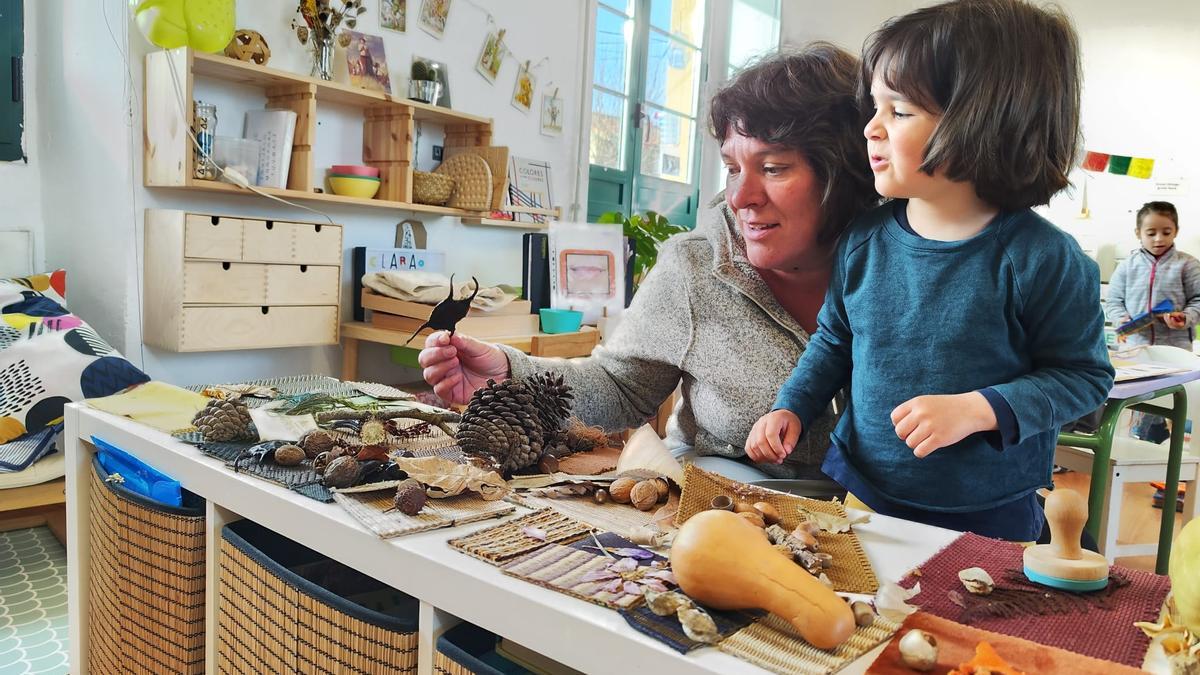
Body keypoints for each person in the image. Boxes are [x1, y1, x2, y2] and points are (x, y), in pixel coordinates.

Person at [419, 44, 878, 482]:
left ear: (844, 171)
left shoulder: (909, 266)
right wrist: (510, 376)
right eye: (733, 168)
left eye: (774, 168)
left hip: (881, 519)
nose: (740, 198)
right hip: (721, 500)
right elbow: (619, 388)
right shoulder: (695, 267)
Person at [746, 0, 1114, 541]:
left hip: (990, 512)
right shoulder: (864, 240)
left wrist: (979, 409)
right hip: (864, 490)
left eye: (898, 111)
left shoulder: (1044, 259)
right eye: (874, 108)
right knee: (867, 620)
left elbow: (1084, 378)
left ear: (983, 119)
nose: (871, 129)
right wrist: (792, 406)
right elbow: (834, 340)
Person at [1104, 201, 1200, 443]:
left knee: (1176, 398)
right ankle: (1142, 439)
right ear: (1138, 233)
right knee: (1139, 398)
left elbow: (1198, 300)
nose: (1159, 238)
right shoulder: (1127, 266)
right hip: (1137, 347)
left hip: (1175, 351)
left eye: (1166, 232)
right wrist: (1122, 319)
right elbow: (1114, 300)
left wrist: (1185, 317)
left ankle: (1169, 442)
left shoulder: (1188, 265)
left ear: (1176, 231)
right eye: (1151, 233)